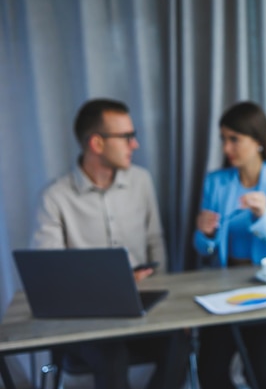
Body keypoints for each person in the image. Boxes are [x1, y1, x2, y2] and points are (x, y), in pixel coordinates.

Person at [31, 98, 189, 389]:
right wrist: (112, 283)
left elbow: (156, 242)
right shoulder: (54, 197)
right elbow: (47, 276)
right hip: (88, 321)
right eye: (127, 137)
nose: (135, 145)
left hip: (144, 308)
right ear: (97, 143)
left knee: (180, 344)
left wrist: (163, 296)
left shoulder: (141, 181)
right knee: (110, 355)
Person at [193, 101, 266, 389]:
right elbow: (202, 249)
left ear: (258, 140)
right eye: (223, 139)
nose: (226, 148)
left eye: (234, 139)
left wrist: (265, 217)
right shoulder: (216, 183)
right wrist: (205, 234)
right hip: (224, 292)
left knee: (260, 372)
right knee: (210, 372)